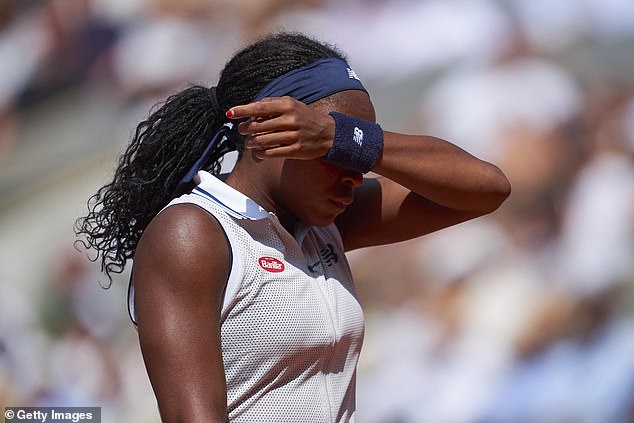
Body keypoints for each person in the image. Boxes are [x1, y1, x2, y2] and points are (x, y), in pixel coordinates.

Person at [75, 32, 511, 423]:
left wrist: (347, 141)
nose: (353, 175)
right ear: (266, 135)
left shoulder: (329, 220)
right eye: (329, 152)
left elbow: (488, 188)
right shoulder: (194, 233)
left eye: (352, 154)